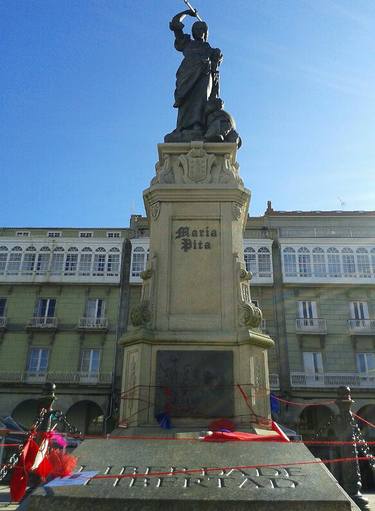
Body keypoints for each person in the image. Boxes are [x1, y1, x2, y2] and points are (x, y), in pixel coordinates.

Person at [165, 9, 223, 141]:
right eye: (196, 29)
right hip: (187, 75)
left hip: (203, 76)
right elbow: (175, 24)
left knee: (200, 100)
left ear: (206, 33)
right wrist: (186, 13)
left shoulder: (210, 50)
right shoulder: (187, 43)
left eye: (202, 29)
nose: (199, 31)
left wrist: (216, 58)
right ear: (193, 31)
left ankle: (198, 126)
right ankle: (181, 128)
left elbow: (215, 70)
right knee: (185, 101)